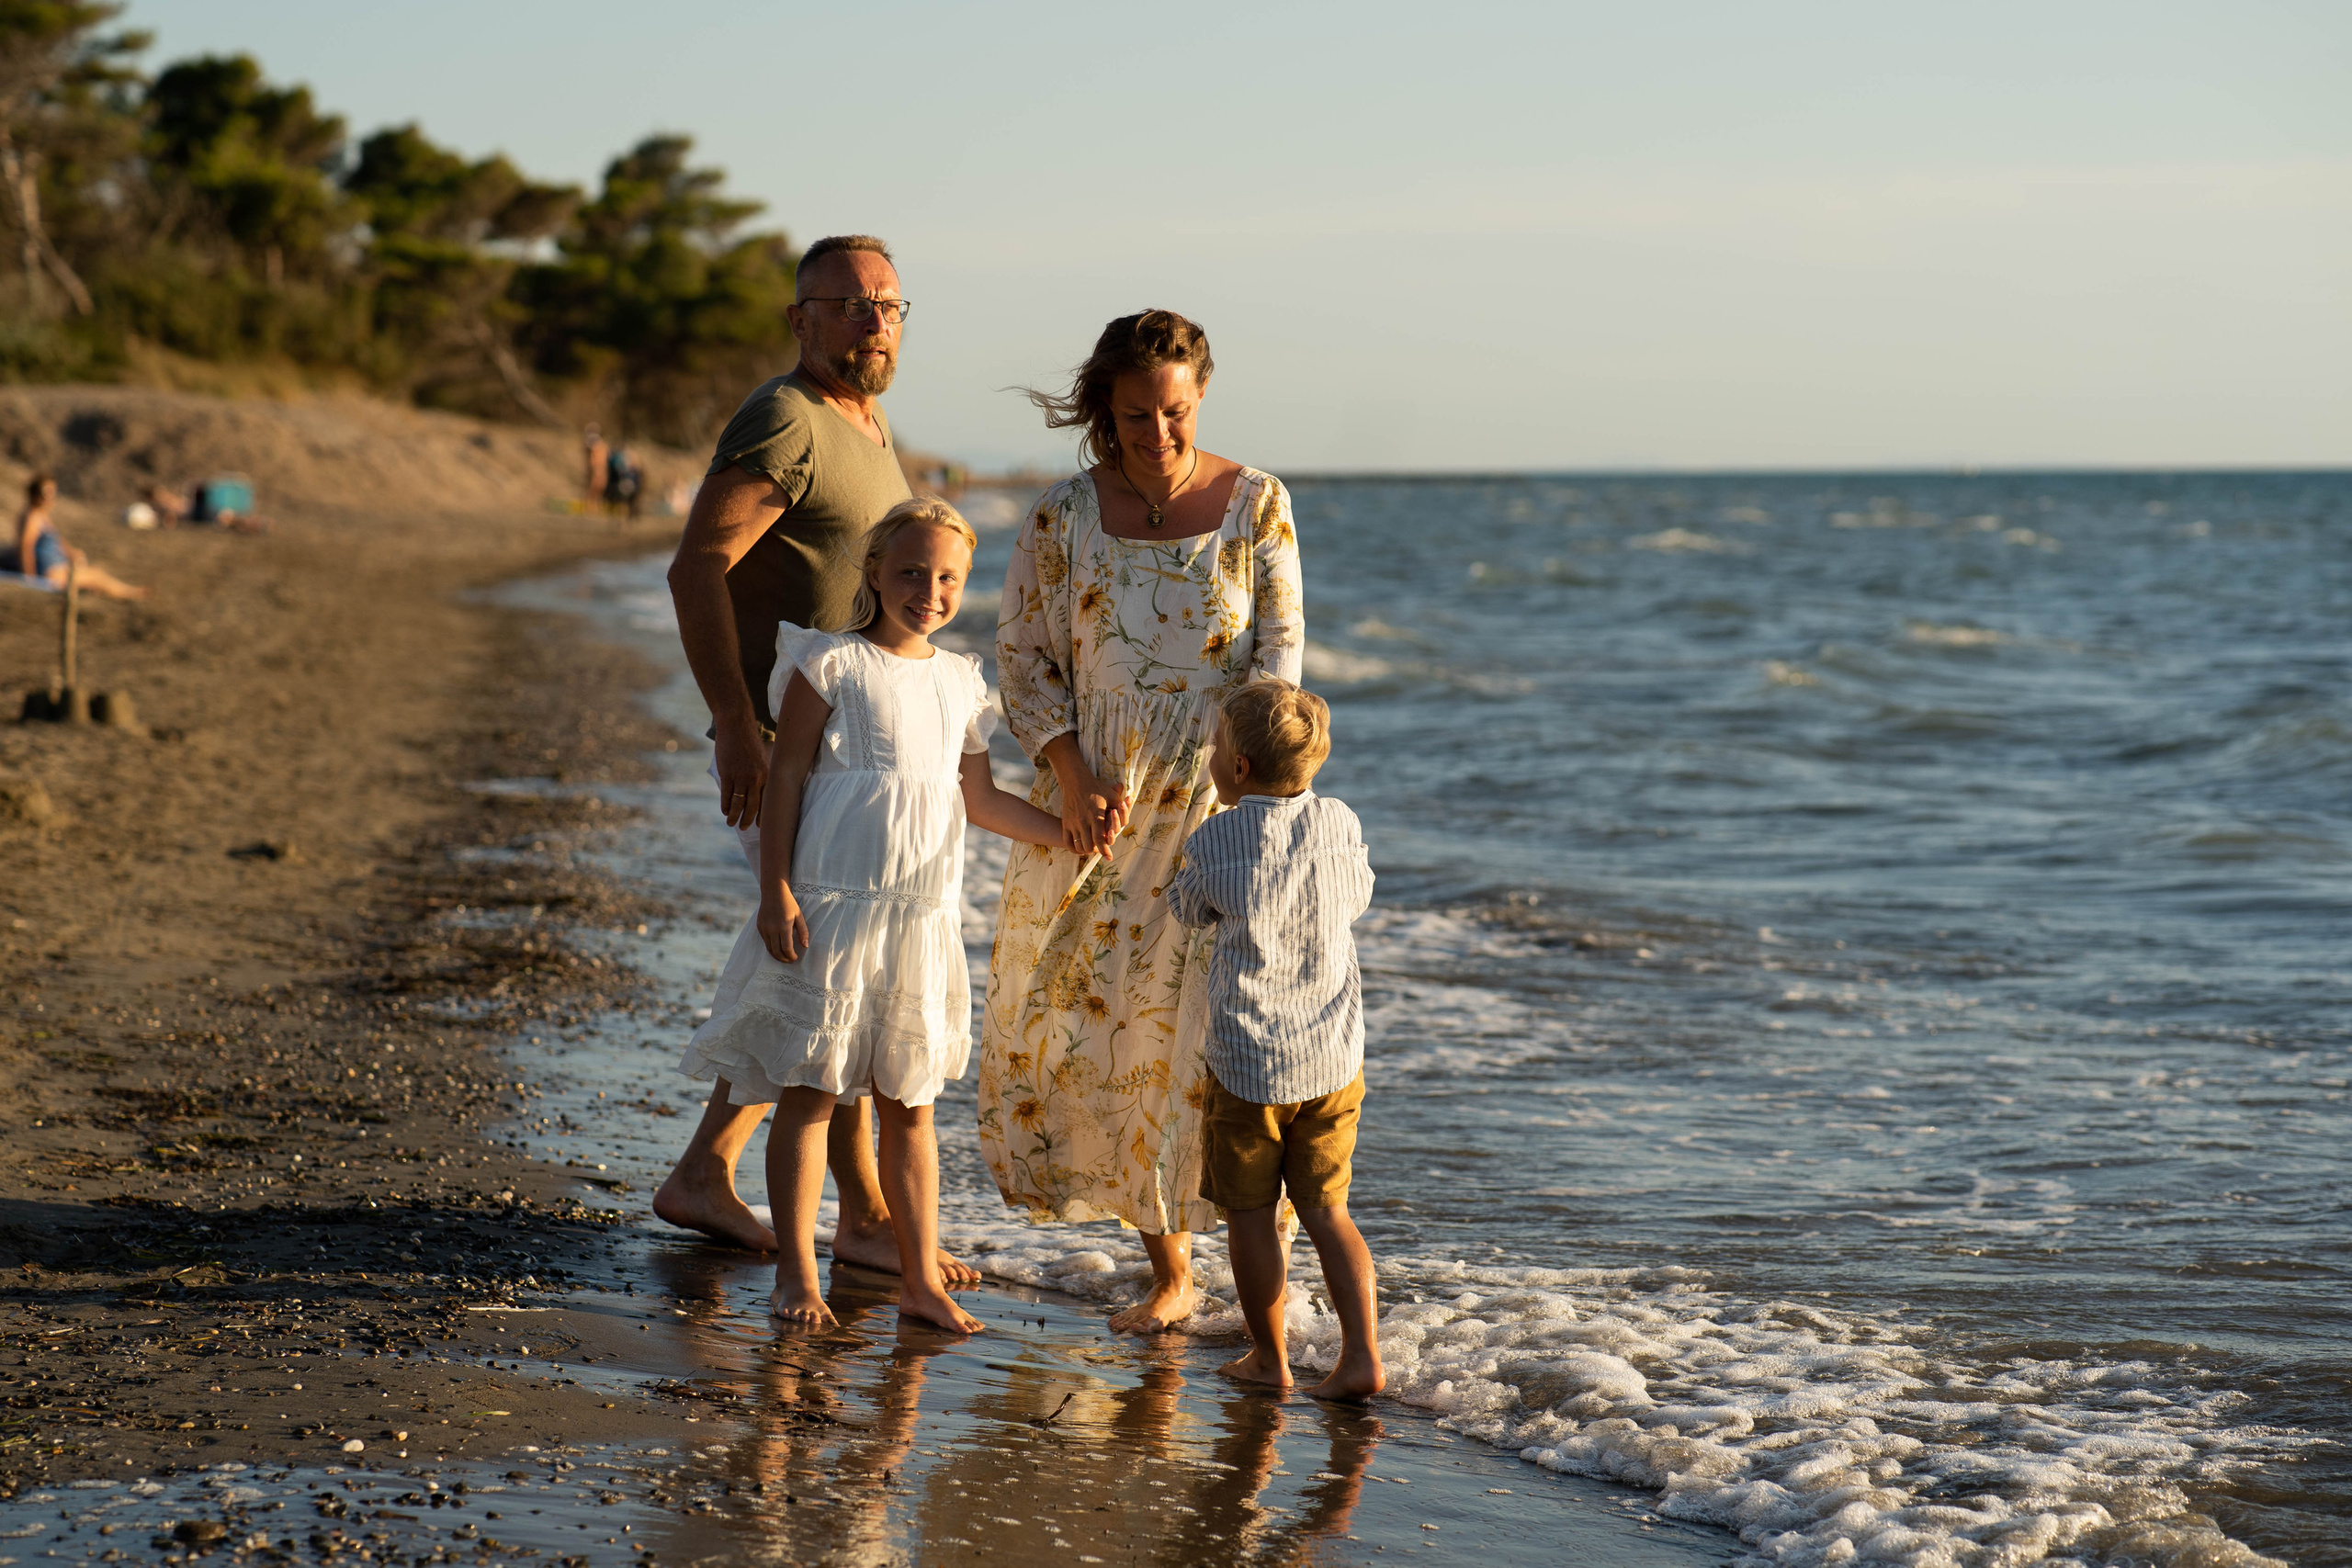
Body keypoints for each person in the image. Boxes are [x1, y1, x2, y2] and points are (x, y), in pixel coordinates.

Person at [652, 233, 982, 1286]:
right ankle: (802, 1201)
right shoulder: (787, 417)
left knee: (842, 977)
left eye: (887, 306)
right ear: (800, 318)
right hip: (794, 748)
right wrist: (733, 723)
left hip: (853, 754)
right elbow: (697, 564)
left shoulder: (866, 426)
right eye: (845, 306)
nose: (871, 323)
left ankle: (799, 1196)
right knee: (822, 975)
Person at [981, 309, 1304, 1333]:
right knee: (1102, 1036)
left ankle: (1265, 1286)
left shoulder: (1258, 504)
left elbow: (1280, 669)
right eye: (1132, 415)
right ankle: (1170, 1270)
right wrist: (1070, 774)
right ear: (1101, 410)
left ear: (1199, 396)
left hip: (1217, 804)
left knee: (1230, 1043)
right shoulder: (1061, 514)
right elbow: (1025, 660)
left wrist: (1243, 800)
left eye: (1173, 413)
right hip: (1095, 808)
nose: (1154, 434)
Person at [683, 501, 1069, 1330]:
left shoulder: (961, 681)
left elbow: (981, 798)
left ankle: (921, 1279)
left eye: (947, 579)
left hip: (919, 920)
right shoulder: (832, 663)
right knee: (812, 1091)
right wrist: (774, 889)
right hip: (830, 909)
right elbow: (784, 780)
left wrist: (1067, 832)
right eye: (910, 573)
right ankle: (798, 1273)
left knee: (912, 1103)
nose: (928, 591)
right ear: (873, 574)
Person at [1169, 680, 1383, 1401]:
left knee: (1251, 1218)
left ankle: (1271, 1359)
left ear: (1238, 771)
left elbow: (1188, 909)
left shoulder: (1218, 836)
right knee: (1329, 1212)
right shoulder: (1341, 821)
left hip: (1248, 1064)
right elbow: (1358, 894)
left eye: (1217, 749)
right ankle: (1361, 1356)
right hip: (1332, 1056)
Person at [4, 475, 147, 599]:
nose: (52, 498)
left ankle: (128, 592)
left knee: (94, 572)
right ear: (36, 495)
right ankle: (131, 594)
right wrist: (30, 579)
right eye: (48, 493)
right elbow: (25, 547)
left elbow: (57, 542)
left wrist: (72, 553)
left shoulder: (40, 516)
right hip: (49, 573)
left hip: (56, 568)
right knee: (97, 576)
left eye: (53, 493)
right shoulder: (32, 518)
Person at [582, 424, 608, 508]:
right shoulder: (591, 442)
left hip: (601, 467)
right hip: (596, 468)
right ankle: (590, 505)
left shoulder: (601, 443)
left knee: (600, 486)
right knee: (593, 486)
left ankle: (594, 505)